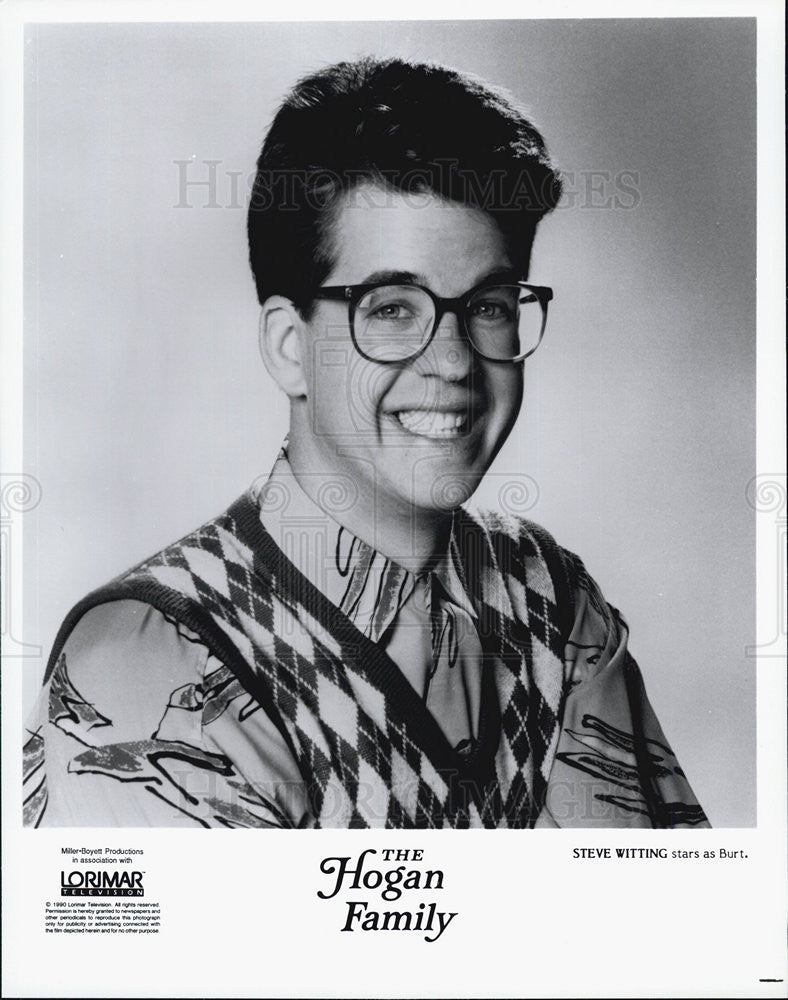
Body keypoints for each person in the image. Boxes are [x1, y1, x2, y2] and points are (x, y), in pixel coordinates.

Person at [23, 56, 707, 829]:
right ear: (289, 346)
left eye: (488, 304)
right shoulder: (150, 654)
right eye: (390, 308)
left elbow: (673, 934)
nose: (453, 362)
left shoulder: (551, 600)